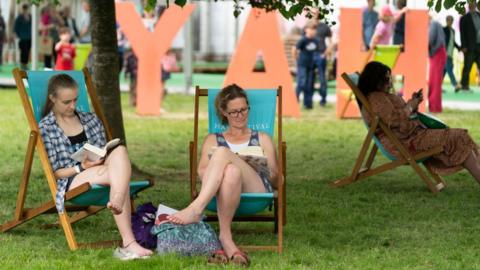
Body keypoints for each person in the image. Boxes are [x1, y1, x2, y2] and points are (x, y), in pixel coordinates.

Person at [38, 74, 153, 260]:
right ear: (52, 98)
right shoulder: (46, 128)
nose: (73, 106)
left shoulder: (90, 119)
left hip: (101, 170)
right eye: (66, 102)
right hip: (72, 180)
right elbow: (57, 173)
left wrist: (100, 157)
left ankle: (118, 199)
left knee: (120, 150)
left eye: (75, 100)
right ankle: (129, 241)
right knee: (115, 175)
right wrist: (81, 167)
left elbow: (104, 153)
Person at [167, 84, 279, 266]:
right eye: (234, 112)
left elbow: (277, 179)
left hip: (255, 189)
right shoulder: (213, 139)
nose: (240, 115)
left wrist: (269, 171)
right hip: (223, 190)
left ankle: (196, 209)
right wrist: (223, 171)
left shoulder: (262, 139)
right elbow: (202, 172)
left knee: (221, 154)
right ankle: (226, 239)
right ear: (224, 113)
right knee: (231, 171)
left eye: (244, 109)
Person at [359, 61, 480, 180]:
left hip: (414, 137)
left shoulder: (380, 96)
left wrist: (413, 105)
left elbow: (399, 116)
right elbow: (394, 120)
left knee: (461, 136)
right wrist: (410, 106)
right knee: (458, 137)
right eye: (386, 80)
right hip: (407, 143)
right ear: (375, 80)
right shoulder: (376, 99)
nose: (390, 84)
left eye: (390, 79)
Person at [292, 22, 319, 109]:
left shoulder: (315, 41)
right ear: (306, 30)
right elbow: (294, 49)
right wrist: (296, 59)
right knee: (301, 83)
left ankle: (308, 104)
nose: (312, 31)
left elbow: (317, 52)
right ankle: (295, 102)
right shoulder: (303, 40)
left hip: (311, 66)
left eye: (314, 29)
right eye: (311, 29)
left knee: (309, 84)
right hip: (302, 64)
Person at [459, 1, 480, 91]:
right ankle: (464, 85)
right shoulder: (464, 18)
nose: (472, 5)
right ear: (468, 5)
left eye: (473, 3)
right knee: (467, 67)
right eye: (470, 3)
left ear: (475, 5)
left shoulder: (479, 15)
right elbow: (462, 34)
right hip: (469, 47)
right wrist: (463, 46)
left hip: (479, 46)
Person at [428, 16, 447, 113]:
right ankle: (434, 106)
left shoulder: (433, 24)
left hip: (437, 54)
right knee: (433, 81)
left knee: (435, 82)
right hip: (437, 54)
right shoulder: (434, 23)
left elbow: (430, 40)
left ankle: (435, 107)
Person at [443, 15, 462, 92]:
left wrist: (459, 48)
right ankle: (455, 84)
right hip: (445, 53)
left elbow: (453, 42)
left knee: (443, 71)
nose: (450, 21)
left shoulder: (453, 31)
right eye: (448, 20)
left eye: (451, 20)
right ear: (446, 21)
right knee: (449, 69)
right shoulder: (444, 29)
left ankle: (437, 87)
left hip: (450, 53)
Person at [13, 4, 31, 70]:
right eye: (24, 9)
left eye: (26, 9)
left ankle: (25, 64)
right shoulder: (19, 17)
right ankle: (23, 65)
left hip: (29, 37)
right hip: (22, 38)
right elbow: (15, 28)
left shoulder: (30, 17)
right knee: (23, 52)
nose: (25, 10)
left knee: (27, 51)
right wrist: (17, 35)